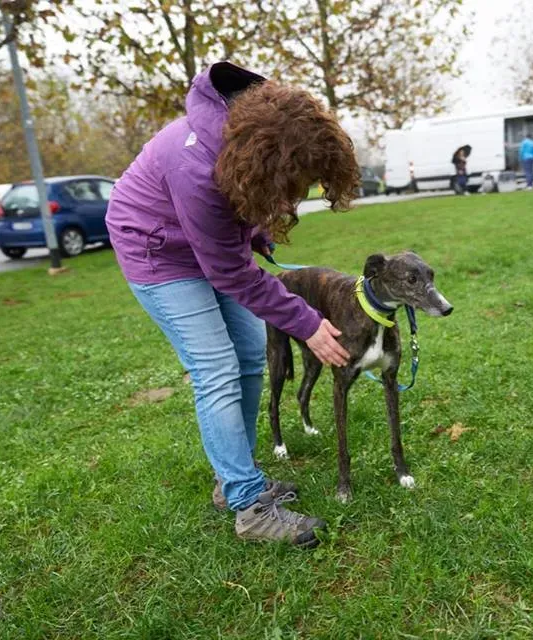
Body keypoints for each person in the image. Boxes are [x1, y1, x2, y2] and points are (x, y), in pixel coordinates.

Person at [104, 62, 361, 548]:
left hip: (200, 240)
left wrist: (258, 231)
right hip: (156, 250)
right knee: (216, 368)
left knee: (247, 357)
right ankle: (248, 506)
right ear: (265, 163)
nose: (297, 196)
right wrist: (306, 322)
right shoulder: (196, 168)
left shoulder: (249, 139)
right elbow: (230, 272)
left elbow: (244, 204)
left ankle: (232, 478)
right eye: (295, 184)